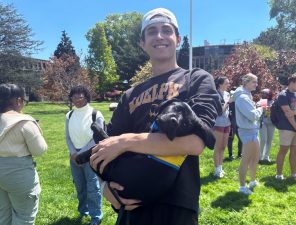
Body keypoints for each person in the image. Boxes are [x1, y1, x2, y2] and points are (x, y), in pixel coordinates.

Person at [90, 8, 222, 225]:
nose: (159, 36)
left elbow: (195, 143)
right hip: (131, 204)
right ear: (142, 43)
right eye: (151, 31)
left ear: (177, 39)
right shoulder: (130, 95)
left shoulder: (196, 79)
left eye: (166, 30)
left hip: (176, 205)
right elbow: (104, 148)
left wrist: (125, 142)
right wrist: (105, 189)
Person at [0, 83, 47, 225]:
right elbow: (40, 150)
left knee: (3, 213)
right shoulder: (24, 122)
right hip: (18, 173)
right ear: (19, 101)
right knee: (24, 216)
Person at [65, 85, 104, 225]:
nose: (77, 99)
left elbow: (98, 137)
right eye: (74, 97)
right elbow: (67, 137)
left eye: (80, 96)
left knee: (93, 186)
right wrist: (73, 153)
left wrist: (81, 154)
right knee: (80, 185)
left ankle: (96, 216)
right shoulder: (69, 115)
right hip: (74, 155)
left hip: (91, 154)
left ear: (86, 97)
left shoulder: (96, 114)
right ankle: (83, 210)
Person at [233, 73, 264, 195]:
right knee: (246, 159)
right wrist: (261, 108)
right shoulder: (242, 97)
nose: (256, 84)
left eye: (256, 82)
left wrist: (256, 107)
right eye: (254, 82)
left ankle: (252, 181)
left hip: (253, 130)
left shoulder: (247, 95)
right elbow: (252, 115)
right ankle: (242, 187)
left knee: (255, 157)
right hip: (247, 131)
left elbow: (250, 112)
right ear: (245, 82)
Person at [275, 73, 296, 180]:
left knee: (295, 151)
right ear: (291, 82)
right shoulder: (283, 95)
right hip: (287, 127)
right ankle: (279, 174)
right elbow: (288, 115)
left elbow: (292, 113)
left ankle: (294, 173)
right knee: (283, 150)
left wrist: (294, 113)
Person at [213, 76, 231, 177]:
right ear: (220, 84)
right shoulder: (215, 95)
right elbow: (220, 112)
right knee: (218, 147)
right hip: (218, 123)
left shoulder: (227, 94)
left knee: (223, 147)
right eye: (226, 83)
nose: (228, 85)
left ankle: (220, 167)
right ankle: (216, 170)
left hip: (227, 123)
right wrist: (228, 102)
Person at [259, 89, 275, 162]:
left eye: (265, 93)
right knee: (263, 139)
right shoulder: (263, 101)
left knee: (269, 140)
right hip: (263, 122)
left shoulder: (274, 102)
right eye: (263, 93)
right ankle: (259, 156)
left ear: (270, 94)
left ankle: (266, 156)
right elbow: (265, 113)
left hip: (272, 123)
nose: (264, 95)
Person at [227, 87, 243, 160]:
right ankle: (230, 155)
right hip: (230, 123)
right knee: (230, 138)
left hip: (239, 123)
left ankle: (240, 154)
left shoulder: (240, 101)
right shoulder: (229, 101)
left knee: (241, 139)